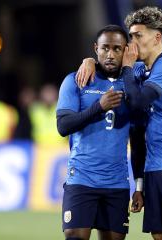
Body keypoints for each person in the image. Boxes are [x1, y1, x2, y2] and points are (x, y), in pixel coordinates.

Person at [77, 6, 162, 240]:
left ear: (157, 37)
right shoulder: (140, 70)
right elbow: (109, 63)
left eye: (138, 35)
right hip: (155, 168)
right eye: (131, 36)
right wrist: (90, 61)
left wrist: (127, 67)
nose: (131, 43)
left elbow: (138, 102)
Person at [56, 25, 145, 240]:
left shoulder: (134, 81)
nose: (110, 54)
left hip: (116, 184)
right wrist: (99, 107)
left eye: (117, 49)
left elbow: (138, 141)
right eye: (105, 48)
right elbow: (63, 126)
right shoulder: (77, 80)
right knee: (75, 237)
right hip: (81, 180)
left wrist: (139, 186)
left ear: (126, 51)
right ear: (96, 48)